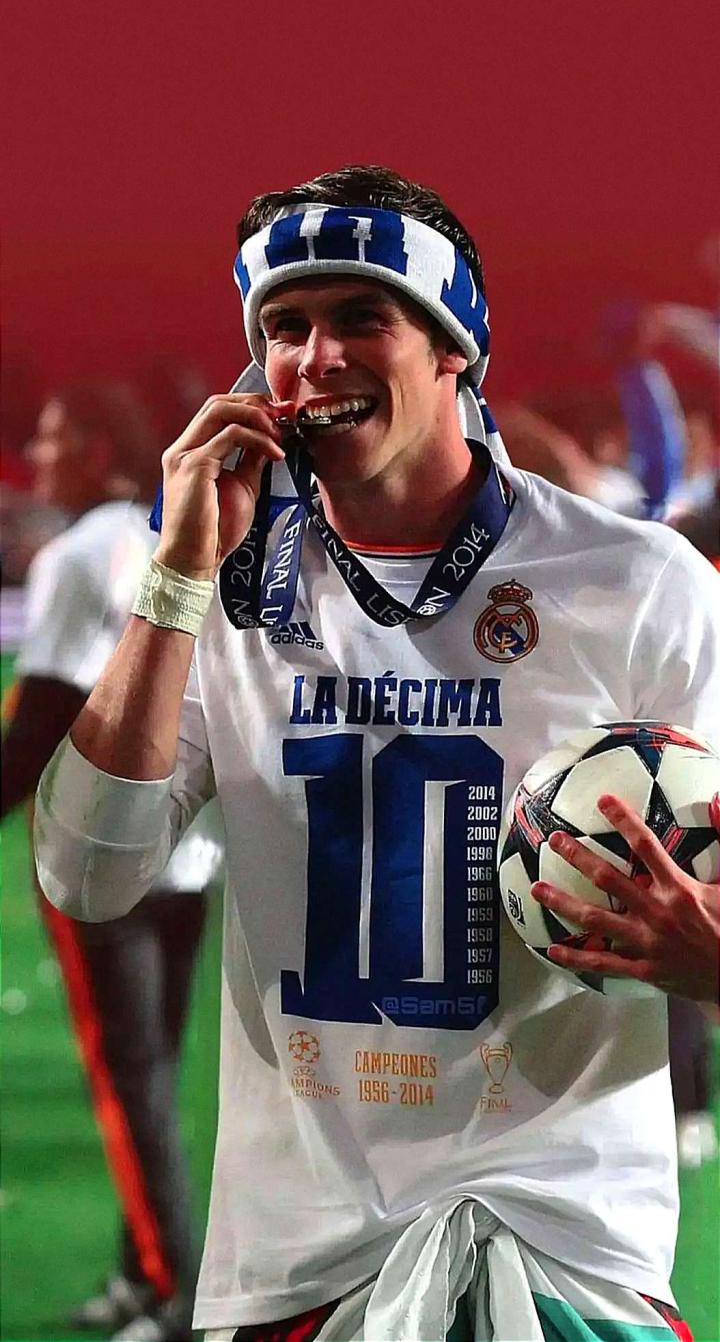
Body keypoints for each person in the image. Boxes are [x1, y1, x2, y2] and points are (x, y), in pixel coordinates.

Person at [33, 168, 720, 1342]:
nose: (317, 356)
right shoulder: (226, 595)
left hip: (564, 1239)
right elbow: (86, 873)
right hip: (305, 1251)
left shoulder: (638, 582)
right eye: (284, 326)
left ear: (455, 348)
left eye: (363, 316)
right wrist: (178, 576)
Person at [2, 380, 223, 1342]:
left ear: (98, 447)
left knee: (129, 1081)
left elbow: (42, 722)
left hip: (103, 858)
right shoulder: (185, 531)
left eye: (55, 436)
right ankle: (145, 1272)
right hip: (192, 849)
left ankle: (175, 1292)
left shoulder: (79, 553)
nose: (38, 457)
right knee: (158, 1071)